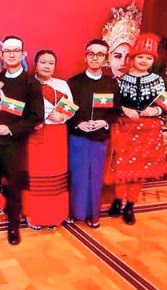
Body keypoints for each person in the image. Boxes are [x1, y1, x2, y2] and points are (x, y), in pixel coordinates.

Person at [0, 36, 43, 245]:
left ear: (23, 54)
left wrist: (10, 129)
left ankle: (14, 225)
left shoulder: (30, 82)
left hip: (15, 144)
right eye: (8, 51)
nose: (12, 54)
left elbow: (36, 116)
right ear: (2, 55)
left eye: (16, 50)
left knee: (14, 186)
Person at [105, 33, 167, 225]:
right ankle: (117, 200)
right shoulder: (120, 80)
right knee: (121, 168)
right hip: (125, 128)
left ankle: (130, 205)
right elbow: (112, 103)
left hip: (148, 131)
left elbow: (166, 104)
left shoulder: (158, 81)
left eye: (148, 58)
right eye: (140, 56)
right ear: (133, 58)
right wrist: (123, 109)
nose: (144, 61)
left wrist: (155, 109)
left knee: (139, 171)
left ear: (153, 61)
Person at [67, 39, 121, 228]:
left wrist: (104, 122)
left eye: (100, 54)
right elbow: (67, 111)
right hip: (77, 137)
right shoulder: (73, 83)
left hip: (100, 138)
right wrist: (78, 123)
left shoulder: (111, 84)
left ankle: (93, 214)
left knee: (95, 178)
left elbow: (115, 111)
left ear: (105, 59)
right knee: (77, 177)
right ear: (85, 56)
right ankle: (75, 213)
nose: (95, 58)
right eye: (91, 54)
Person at [22, 50, 73, 231]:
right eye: (43, 62)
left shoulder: (62, 84)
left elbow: (71, 108)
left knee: (55, 175)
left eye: (51, 63)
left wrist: (62, 116)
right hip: (35, 135)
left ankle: (54, 215)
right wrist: (40, 117)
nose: (47, 66)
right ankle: (32, 214)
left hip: (57, 135)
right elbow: (21, 109)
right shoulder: (27, 83)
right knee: (35, 176)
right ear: (35, 64)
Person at [102, 1, 142, 79]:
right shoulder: (99, 86)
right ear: (108, 58)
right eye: (117, 56)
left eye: (129, 57)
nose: (123, 63)